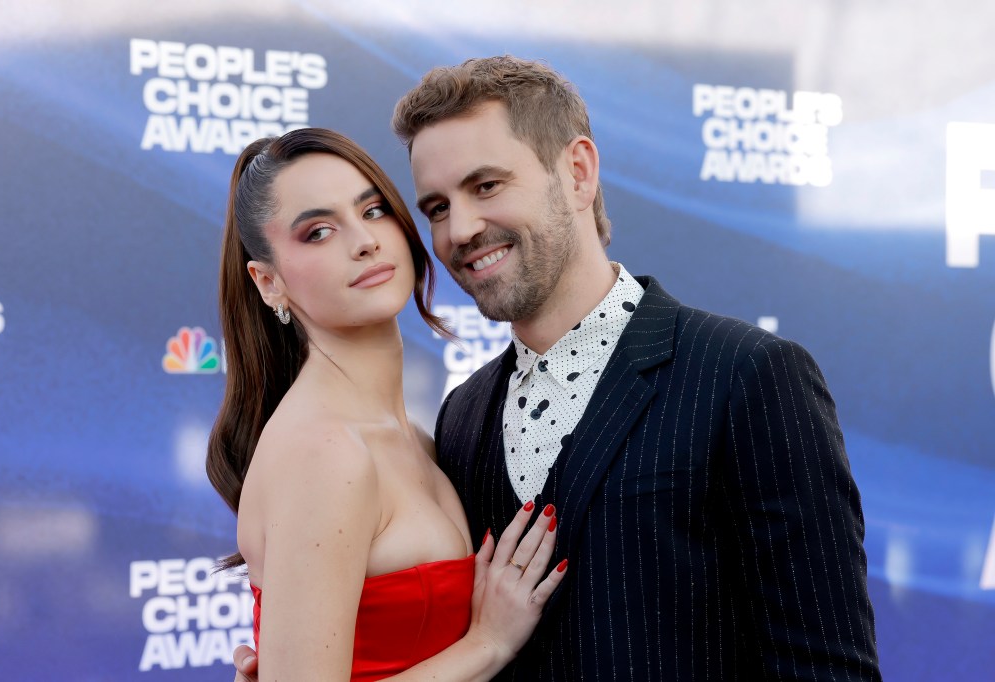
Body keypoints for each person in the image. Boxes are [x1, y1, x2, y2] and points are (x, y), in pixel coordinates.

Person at [235, 57, 883, 680]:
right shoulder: (462, 417)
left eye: (487, 186)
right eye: (436, 208)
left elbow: (828, 666)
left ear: (577, 172)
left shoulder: (747, 377)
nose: (461, 228)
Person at [207, 127, 568, 681]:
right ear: (269, 282)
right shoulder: (324, 451)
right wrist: (489, 643)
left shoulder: (416, 437)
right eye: (318, 232)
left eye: (373, 211)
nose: (364, 241)